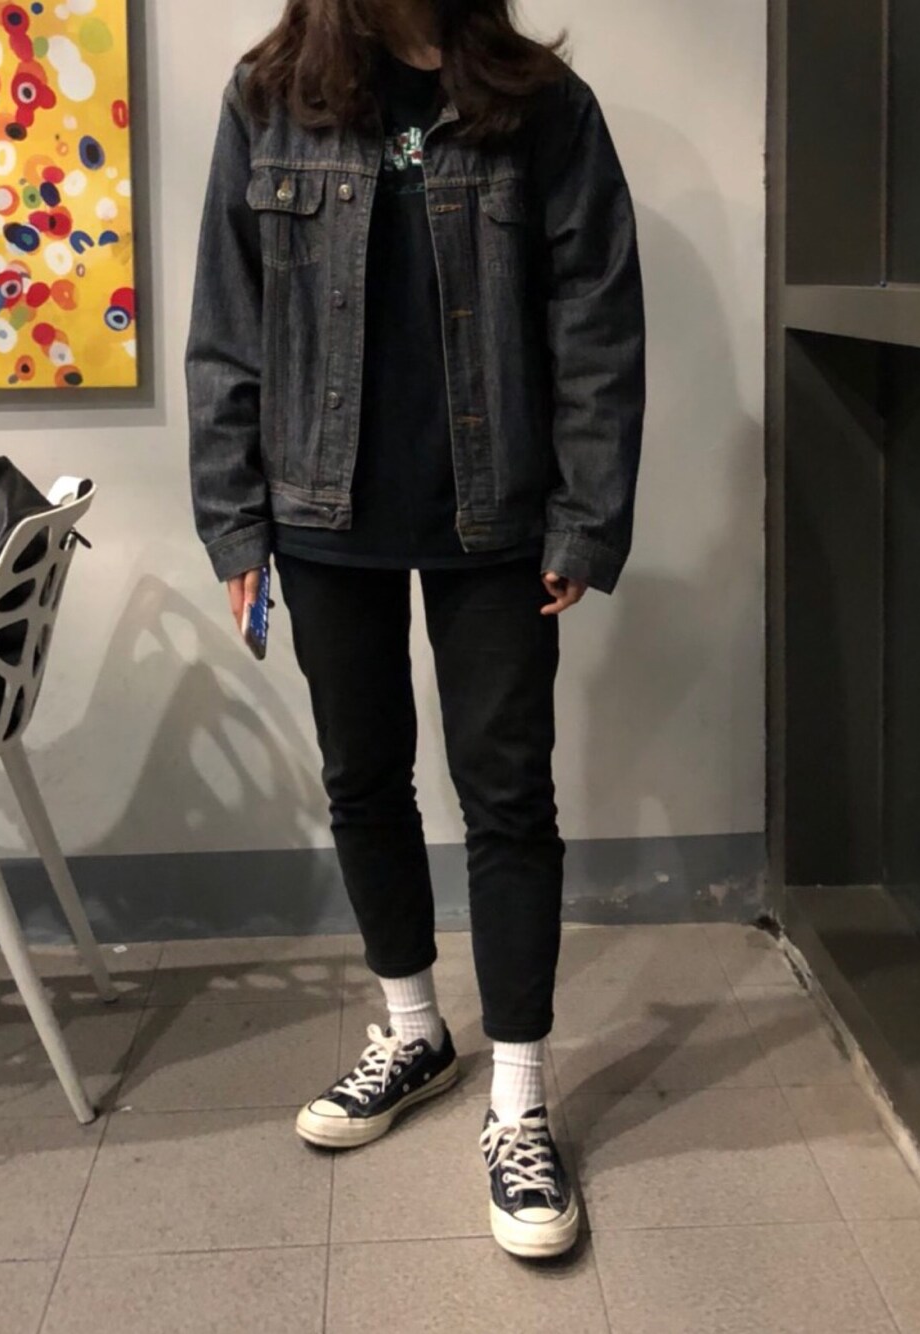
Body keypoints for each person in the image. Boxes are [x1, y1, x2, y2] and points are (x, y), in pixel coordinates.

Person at [186, 0, 645, 1260]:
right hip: (319, 507)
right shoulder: (269, 96)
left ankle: (519, 1097)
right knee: (363, 778)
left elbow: (596, 318)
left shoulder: (537, 102)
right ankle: (413, 1028)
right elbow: (227, 321)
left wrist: (585, 517)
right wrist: (234, 520)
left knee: (507, 796)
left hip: (496, 516)